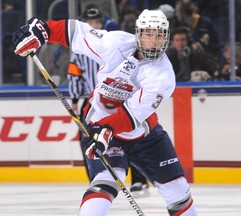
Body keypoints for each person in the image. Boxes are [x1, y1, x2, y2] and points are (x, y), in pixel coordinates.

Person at [13, 9, 198, 216]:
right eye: (148, 34)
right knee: (107, 180)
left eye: (159, 35)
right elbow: (76, 33)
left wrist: (106, 132)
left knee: (178, 190)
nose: (153, 40)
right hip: (99, 123)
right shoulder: (116, 43)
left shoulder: (163, 75)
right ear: (138, 34)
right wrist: (44, 30)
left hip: (143, 134)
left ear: (166, 37)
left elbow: (131, 116)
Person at [68, 4, 150, 196]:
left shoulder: (111, 43)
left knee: (130, 137)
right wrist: (74, 98)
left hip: (120, 99)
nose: (94, 25)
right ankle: (96, 180)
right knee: (89, 142)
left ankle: (139, 179)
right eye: (90, 22)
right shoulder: (80, 50)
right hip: (91, 103)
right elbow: (74, 74)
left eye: (97, 22)